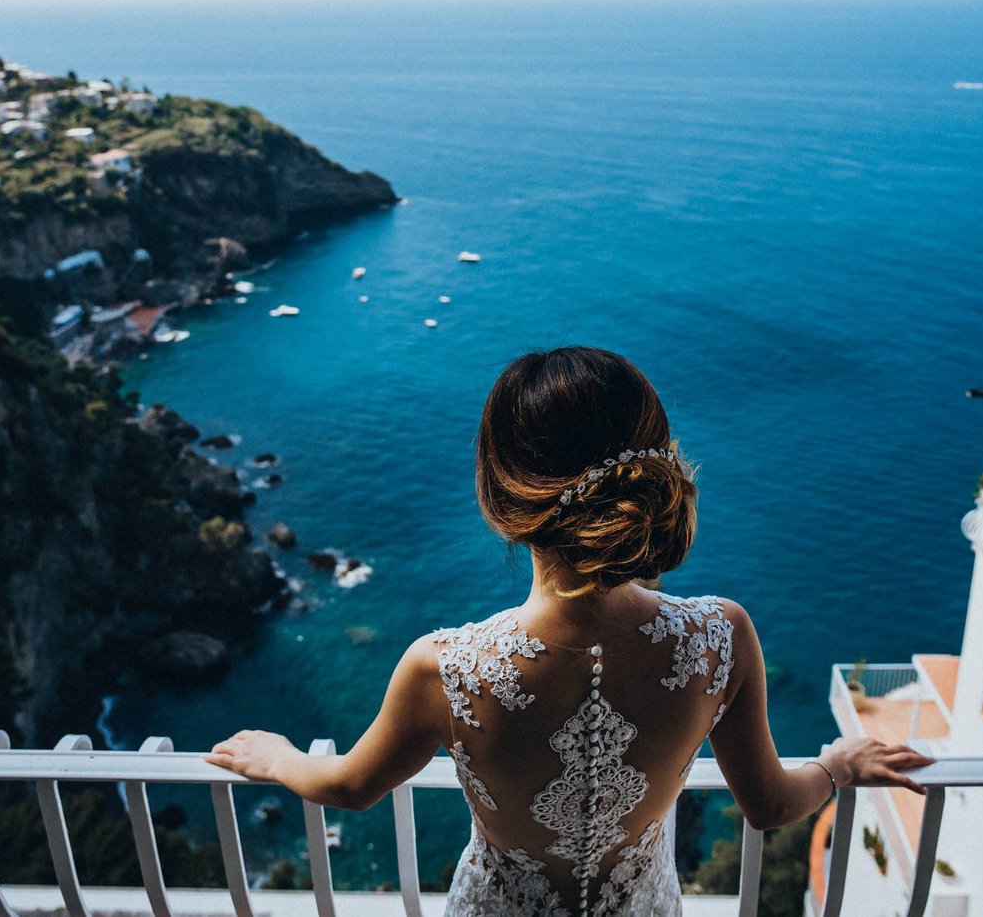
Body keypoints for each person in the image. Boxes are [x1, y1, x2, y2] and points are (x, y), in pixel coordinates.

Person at [209, 346, 932, 915]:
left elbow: (349, 786)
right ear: (655, 475)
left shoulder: (446, 669)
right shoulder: (722, 637)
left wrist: (274, 757)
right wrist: (839, 765)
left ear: (501, 499)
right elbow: (771, 805)